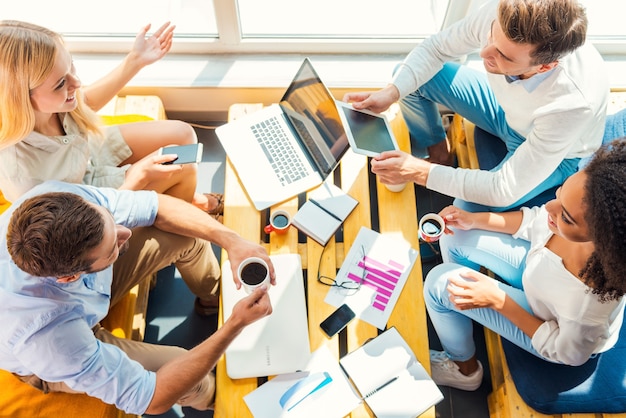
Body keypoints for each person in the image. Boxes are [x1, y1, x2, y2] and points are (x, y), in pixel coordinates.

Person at [0, 179, 276, 414]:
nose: (126, 233)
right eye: (113, 248)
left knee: (184, 237)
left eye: (110, 222)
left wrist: (231, 240)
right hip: (58, 340)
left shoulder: (56, 201)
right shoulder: (46, 340)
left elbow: (156, 207)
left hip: (80, 297)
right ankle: (237, 407)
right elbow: (152, 398)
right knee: (186, 373)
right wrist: (234, 326)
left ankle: (215, 298)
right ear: (71, 277)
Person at [344, 0, 609, 212]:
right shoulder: (504, 14)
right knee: (408, 80)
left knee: (465, 209)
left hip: (555, 153)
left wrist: (419, 172)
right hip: (505, 111)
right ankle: (439, 155)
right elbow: (435, 49)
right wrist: (391, 93)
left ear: (545, 67)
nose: (483, 53)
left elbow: (502, 189)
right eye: (491, 37)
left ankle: (432, 168)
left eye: (502, 56)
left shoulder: (573, 102)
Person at [422, 139, 626, 391]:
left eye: (565, 217)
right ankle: (462, 310)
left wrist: (496, 300)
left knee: (438, 284)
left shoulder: (587, 307)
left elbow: (566, 354)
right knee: (459, 226)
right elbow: (533, 220)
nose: (549, 207)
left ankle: (464, 370)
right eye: (560, 193)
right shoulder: (574, 217)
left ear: (602, 238)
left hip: (548, 327)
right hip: (538, 277)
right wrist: (472, 220)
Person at [0, 20, 222, 215]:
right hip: (82, 201)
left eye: (71, 66)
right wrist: (135, 181)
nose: (76, 83)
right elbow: (79, 228)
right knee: (183, 169)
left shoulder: (54, 102)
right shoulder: (24, 179)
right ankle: (174, 217)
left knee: (181, 133)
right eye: (60, 83)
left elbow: (85, 103)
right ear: (19, 99)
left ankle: (180, 198)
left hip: (86, 154)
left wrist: (136, 60)